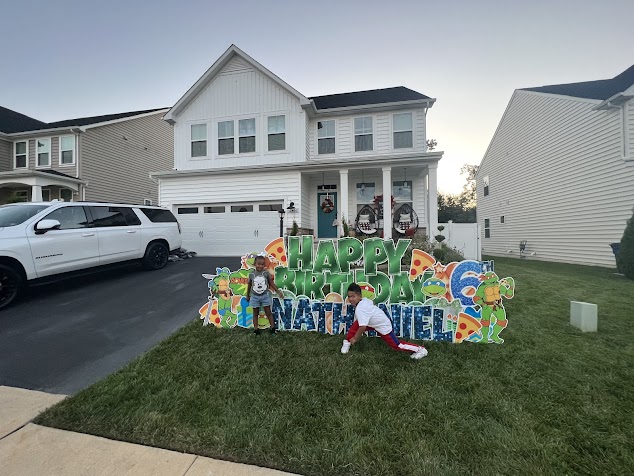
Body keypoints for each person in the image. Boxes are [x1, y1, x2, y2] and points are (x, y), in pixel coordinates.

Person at [341, 283, 428, 359]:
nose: (350, 299)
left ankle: (420, 349)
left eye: (353, 296)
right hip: (372, 323)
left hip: (382, 326)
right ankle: (347, 342)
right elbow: (372, 302)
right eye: (349, 296)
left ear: (360, 296)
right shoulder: (364, 300)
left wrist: (355, 338)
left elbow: (362, 327)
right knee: (354, 327)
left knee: (397, 345)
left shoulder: (360, 309)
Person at [247, 254, 284, 335]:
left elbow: (271, 283)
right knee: (255, 313)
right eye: (258, 264)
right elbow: (249, 285)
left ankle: (272, 328)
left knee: (268, 313)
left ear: (264, 265)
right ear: (255, 264)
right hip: (254, 297)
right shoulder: (251, 274)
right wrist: (247, 295)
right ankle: (256, 330)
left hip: (265, 296)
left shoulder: (266, 273)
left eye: (262, 264)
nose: (260, 266)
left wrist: (278, 291)